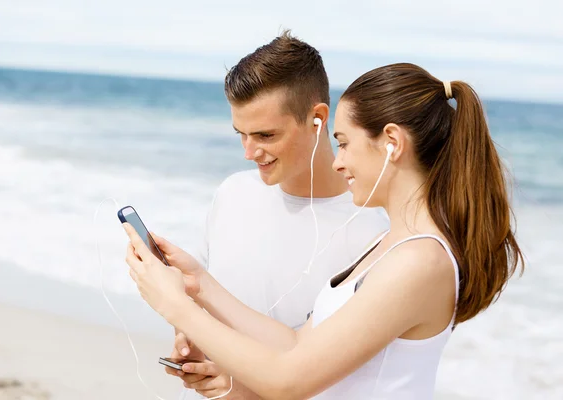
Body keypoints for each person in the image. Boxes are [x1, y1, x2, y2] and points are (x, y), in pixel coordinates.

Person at [126, 62, 526, 399]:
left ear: (391, 143)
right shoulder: (393, 246)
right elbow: (297, 346)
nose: (338, 162)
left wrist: (174, 306)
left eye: (345, 143)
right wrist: (198, 284)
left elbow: (287, 380)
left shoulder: (421, 261)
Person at [164, 31, 389, 399]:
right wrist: (191, 340)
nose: (249, 152)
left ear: (317, 119)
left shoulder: (371, 232)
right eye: (241, 134)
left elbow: (349, 380)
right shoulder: (232, 193)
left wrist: (244, 387)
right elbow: (207, 299)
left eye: (265, 135)